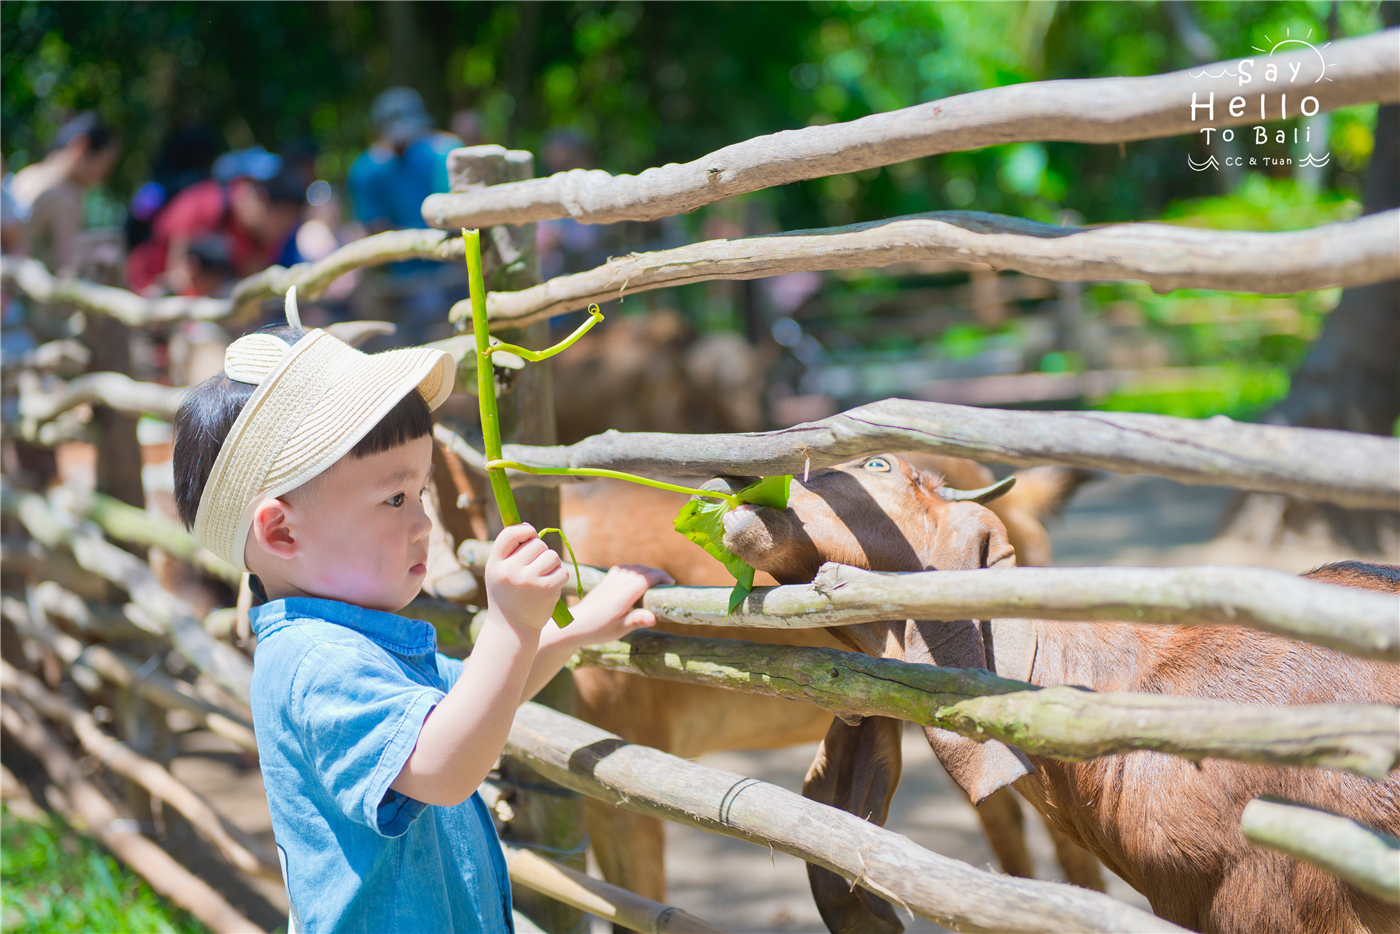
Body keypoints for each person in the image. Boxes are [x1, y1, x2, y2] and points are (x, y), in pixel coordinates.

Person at [170, 290, 670, 932]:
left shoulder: (351, 640)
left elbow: (476, 695)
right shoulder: (316, 663)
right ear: (283, 534)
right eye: (394, 499)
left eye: (422, 491)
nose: (423, 522)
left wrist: (567, 634)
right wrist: (512, 625)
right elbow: (441, 767)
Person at [126, 168, 306, 296]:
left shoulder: (262, 240)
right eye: (281, 224)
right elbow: (176, 278)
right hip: (144, 289)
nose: (281, 233)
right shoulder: (207, 202)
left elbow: (250, 290)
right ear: (261, 201)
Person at [10, 111, 121, 275]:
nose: (102, 180)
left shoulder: (27, 174)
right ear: (81, 147)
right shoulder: (65, 196)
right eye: (105, 168)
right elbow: (67, 272)